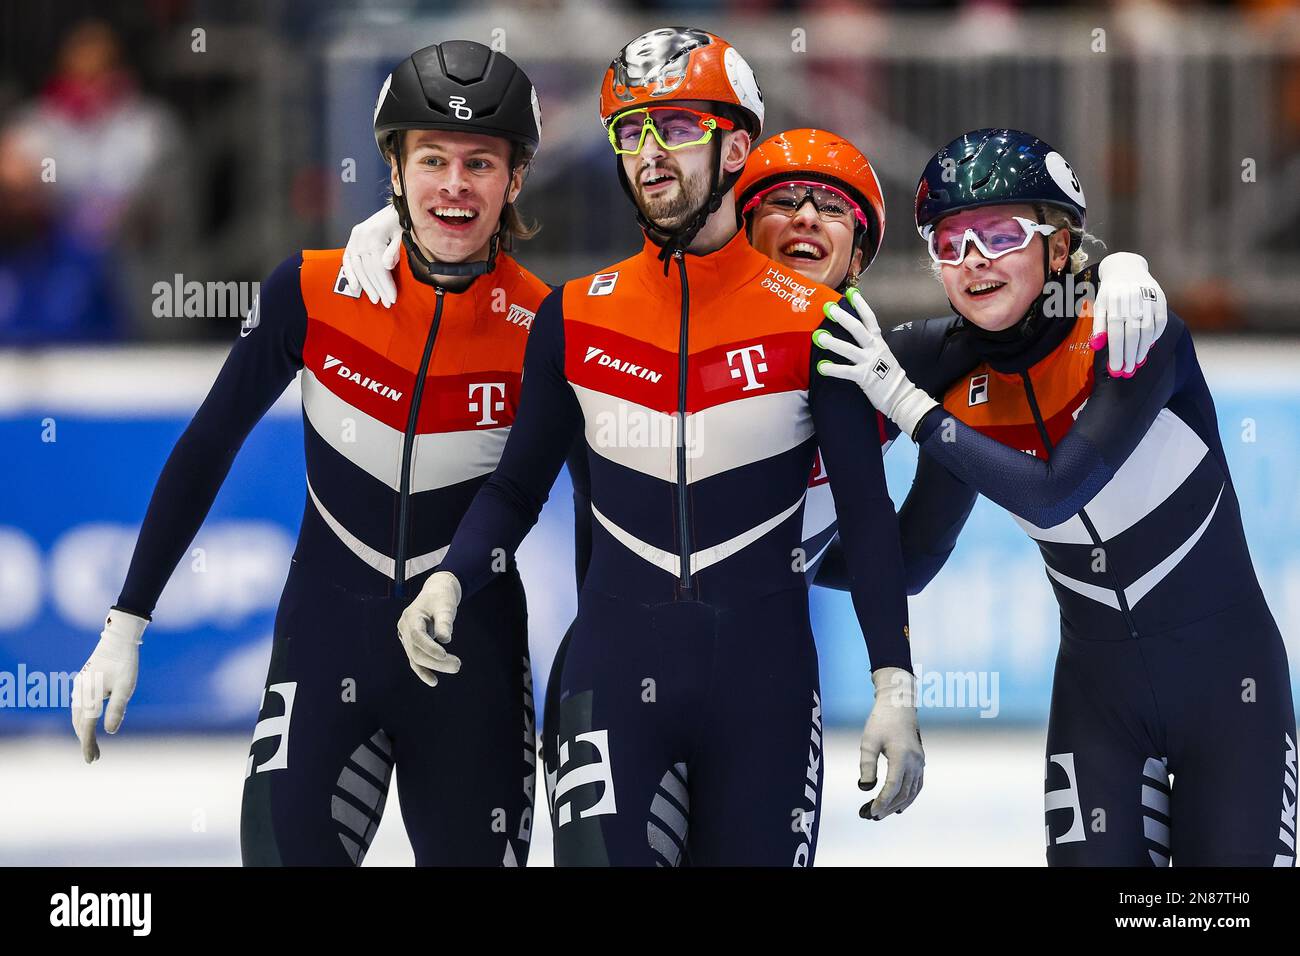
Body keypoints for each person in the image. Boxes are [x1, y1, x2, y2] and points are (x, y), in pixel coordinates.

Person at [344, 125, 1169, 838]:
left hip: (754, 674)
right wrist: (394, 230)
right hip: (618, 665)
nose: (807, 216)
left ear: (861, 252)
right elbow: (553, 460)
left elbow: (1013, 306)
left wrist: (1115, 268)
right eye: (783, 200)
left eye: (833, 207)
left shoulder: (887, 360)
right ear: (737, 220)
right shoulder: (622, 322)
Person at [394, 27, 921, 867]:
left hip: (769, 700)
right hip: (610, 690)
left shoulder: (814, 322)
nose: (649, 153)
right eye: (629, 131)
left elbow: (866, 514)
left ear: (737, 144)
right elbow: (515, 489)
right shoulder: (576, 316)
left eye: (676, 128)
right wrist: (452, 575)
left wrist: (894, 683)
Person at [71, 41, 550, 867]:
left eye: (481, 163)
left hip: (474, 662)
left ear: (515, 181)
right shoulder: (311, 289)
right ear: (393, 172)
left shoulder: (551, 328)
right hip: (326, 648)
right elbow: (205, 447)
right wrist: (126, 624)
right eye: (430, 158)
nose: (455, 185)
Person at [818, 128, 1297, 866]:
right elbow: (909, 558)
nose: (973, 260)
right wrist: (782, 550)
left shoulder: (1133, 330)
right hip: (1097, 707)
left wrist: (913, 411)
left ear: (1060, 243)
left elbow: (1055, 493)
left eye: (999, 233)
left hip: (1232, 696)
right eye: (950, 243)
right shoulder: (943, 373)